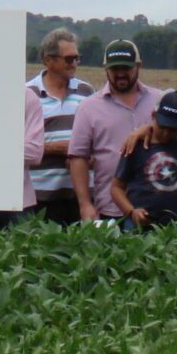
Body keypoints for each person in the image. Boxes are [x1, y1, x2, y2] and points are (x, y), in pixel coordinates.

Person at [68, 39, 164, 223]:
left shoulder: (159, 100)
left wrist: (151, 127)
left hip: (154, 208)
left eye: (126, 69)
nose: (120, 74)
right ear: (105, 68)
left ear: (138, 66)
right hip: (109, 210)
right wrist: (85, 204)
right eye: (114, 69)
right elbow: (78, 157)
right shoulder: (88, 108)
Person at [27, 27, 94, 224]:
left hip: (78, 196)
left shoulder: (86, 91)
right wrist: (60, 148)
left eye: (77, 58)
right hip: (39, 196)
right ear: (49, 60)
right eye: (69, 59)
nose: (75, 63)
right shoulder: (28, 94)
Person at [111, 91, 177, 230]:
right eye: (162, 127)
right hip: (137, 225)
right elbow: (116, 188)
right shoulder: (135, 146)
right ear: (153, 116)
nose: (166, 134)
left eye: (173, 130)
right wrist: (132, 212)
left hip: (174, 227)